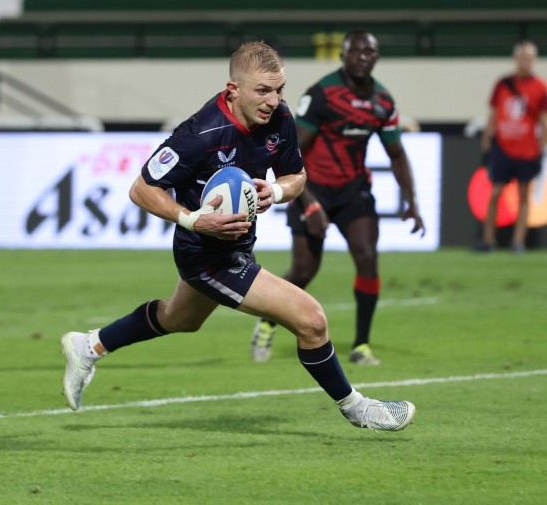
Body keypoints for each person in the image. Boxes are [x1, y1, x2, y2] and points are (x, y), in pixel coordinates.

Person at [60, 41, 416, 432]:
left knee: (178, 318)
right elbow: (142, 189)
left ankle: (88, 346)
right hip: (206, 257)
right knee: (311, 320)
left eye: (279, 89)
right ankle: (358, 408)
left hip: (236, 245)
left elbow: (297, 176)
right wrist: (192, 220)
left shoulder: (280, 118)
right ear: (234, 89)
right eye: (263, 90)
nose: (274, 100)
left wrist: (276, 190)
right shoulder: (198, 135)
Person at [250, 30, 425, 367]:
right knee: (304, 269)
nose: (362, 57)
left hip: (353, 190)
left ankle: (362, 345)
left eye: (369, 52)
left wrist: (412, 201)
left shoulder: (383, 102)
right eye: (355, 51)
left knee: (367, 256)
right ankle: (269, 320)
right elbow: (291, 155)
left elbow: (396, 153)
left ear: (376, 57)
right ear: (343, 56)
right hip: (311, 187)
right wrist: (310, 202)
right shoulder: (323, 94)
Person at [477, 41, 547, 253]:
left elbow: (543, 120)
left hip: (528, 150)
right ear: (515, 59)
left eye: (529, 58)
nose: (525, 61)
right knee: (495, 192)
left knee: (524, 195)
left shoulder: (540, 87)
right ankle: (488, 240)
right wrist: (487, 138)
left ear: (534, 60)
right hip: (503, 147)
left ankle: (518, 242)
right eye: (522, 57)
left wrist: (541, 147)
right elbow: (494, 113)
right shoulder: (503, 84)